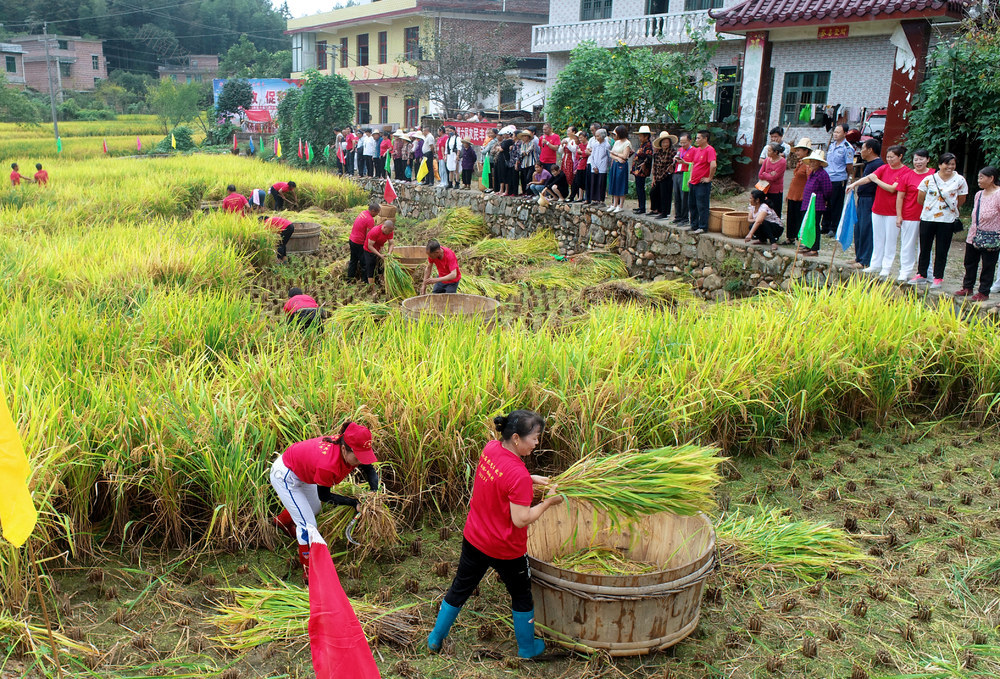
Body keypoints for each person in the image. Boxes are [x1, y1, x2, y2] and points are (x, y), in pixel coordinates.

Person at [427, 410, 563, 659]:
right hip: (505, 549)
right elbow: (520, 519)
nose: (536, 443)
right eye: (533, 438)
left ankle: (435, 638)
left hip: (474, 538)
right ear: (516, 438)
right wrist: (548, 503)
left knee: (460, 588)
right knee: (522, 595)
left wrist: (530, 479)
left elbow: (501, 480)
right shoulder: (518, 475)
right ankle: (527, 648)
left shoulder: (491, 448)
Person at [270, 422, 380, 582]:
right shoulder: (328, 466)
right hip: (287, 476)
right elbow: (325, 496)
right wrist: (354, 503)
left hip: (305, 472)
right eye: (357, 458)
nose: (360, 462)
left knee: (314, 509)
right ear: (344, 449)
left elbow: (369, 469)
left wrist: (373, 493)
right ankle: (308, 572)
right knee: (308, 526)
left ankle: (281, 522)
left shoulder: (350, 446)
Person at [847, 144, 909, 278]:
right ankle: (875, 263)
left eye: (892, 157)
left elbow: (892, 188)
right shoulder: (884, 168)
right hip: (877, 208)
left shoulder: (905, 172)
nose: (890, 160)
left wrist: (877, 181)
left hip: (892, 211)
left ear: (900, 157)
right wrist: (854, 184)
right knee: (878, 238)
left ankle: (886, 266)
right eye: (888, 157)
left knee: (890, 240)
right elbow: (869, 177)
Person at [912, 152, 967, 288]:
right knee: (925, 247)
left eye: (953, 164)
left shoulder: (959, 180)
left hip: (947, 219)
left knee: (942, 249)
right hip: (928, 217)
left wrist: (950, 208)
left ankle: (938, 277)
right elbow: (920, 198)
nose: (950, 167)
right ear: (940, 165)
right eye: (947, 164)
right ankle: (922, 273)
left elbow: (961, 198)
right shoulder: (929, 179)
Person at [955, 166, 1000, 301]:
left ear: (991, 178)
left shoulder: (998, 194)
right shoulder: (978, 194)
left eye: (981, 177)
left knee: (988, 265)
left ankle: (983, 291)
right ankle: (967, 287)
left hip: (991, 236)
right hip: (974, 234)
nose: (978, 180)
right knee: (970, 262)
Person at [893, 149, 935, 282]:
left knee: (926, 246)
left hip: (929, 216)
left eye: (921, 159)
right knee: (907, 244)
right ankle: (905, 271)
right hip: (910, 214)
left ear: (928, 160)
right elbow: (900, 197)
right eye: (916, 159)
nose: (918, 162)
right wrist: (899, 215)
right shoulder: (907, 175)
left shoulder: (934, 174)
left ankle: (927, 272)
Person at [851, 139, 884, 268]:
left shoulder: (878, 164)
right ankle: (859, 256)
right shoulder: (869, 164)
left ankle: (865, 259)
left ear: (870, 150)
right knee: (859, 228)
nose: (861, 151)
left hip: (870, 200)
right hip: (862, 199)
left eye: (863, 148)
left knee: (867, 228)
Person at [798, 149, 832, 256]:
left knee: (814, 225)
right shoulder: (812, 173)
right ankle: (808, 245)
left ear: (819, 162)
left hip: (817, 204)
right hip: (808, 203)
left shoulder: (822, 174)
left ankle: (814, 248)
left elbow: (828, 190)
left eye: (815, 161)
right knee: (808, 225)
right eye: (811, 161)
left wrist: (823, 200)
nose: (812, 163)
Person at [822, 124, 854, 235]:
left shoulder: (847, 147)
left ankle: (833, 227)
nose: (835, 134)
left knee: (836, 204)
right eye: (834, 132)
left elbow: (849, 166)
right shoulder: (831, 145)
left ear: (845, 133)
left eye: (838, 132)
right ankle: (825, 225)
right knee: (826, 203)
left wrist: (849, 178)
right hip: (828, 178)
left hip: (839, 179)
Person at [783, 139, 813, 244]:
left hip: (801, 195)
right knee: (791, 216)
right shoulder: (800, 163)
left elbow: (810, 180)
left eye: (799, 150)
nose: (797, 153)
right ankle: (790, 237)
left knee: (799, 217)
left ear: (806, 151)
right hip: (793, 193)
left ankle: (799, 238)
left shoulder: (808, 165)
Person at [687, 130, 717, 234]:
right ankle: (694, 224)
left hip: (702, 183)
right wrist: (690, 178)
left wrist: (709, 178)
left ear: (705, 139)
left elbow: (713, 165)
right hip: (694, 182)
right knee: (692, 204)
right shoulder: (697, 150)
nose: (697, 140)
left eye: (699, 138)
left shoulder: (710, 150)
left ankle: (703, 226)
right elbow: (693, 164)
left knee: (702, 205)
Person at [348, 202, 380, 281]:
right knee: (364, 263)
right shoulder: (370, 220)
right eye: (377, 212)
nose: (377, 214)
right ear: (373, 211)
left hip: (352, 240)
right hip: (359, 242)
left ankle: (349, 278)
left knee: (353, 260)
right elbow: (368, 236)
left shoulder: (363, 213)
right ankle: (364, 281)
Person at [647, 131, 675, 219]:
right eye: (663, 142)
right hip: (658, 175)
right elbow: (655, 165)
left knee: (665, 194)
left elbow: (672, 164)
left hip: (666, 176)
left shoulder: (672, 152)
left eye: (666, 142)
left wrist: (667, 172)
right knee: (654, 192)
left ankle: (665, 212)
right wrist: (654, 177)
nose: (665, 144)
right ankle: (656, 209)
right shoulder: (658, 153)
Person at [606, 125, 633, 214]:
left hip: (622, 165)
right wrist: (617, 156)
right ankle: (614, 204)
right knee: (614, 182)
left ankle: (620, 205)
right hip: (616, 163)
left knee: (620, 184)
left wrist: (616, 154)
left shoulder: (627, 143)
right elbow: (611, 154)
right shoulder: (617, 142)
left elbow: (625, 156)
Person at [758, 143, 787, 217]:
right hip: (765, 188)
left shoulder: (782, 162)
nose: (767, 153)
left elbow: (774, 177)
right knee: (763, 210)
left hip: (776, 191)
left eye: (769, 151)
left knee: (775, 211)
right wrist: (769, 174)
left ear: (776, 152)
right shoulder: (767, 160)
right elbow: (760, 175)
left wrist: (765, 174)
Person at [363, 219, 396, 284]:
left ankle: (382, 283)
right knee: (371, 268)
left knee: (381, 267)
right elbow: (370, 246)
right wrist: (380, 255)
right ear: (384, 227)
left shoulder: (390, 231)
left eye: (391, 231)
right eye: (389, 231)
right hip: (369, 251)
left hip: (379, 249)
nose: (390, 232)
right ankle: (371, 288)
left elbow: (391, 243)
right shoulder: (375, 231)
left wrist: (389, 253)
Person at [631, 126, 654, 215]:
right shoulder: (643, 145)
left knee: (640, 188)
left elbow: (649, 157)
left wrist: (644, 164)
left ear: (646, 136)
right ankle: (640, 206)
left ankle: (642, 207)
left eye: (641, 136)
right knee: (638, 188)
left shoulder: (648, 146)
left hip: (642, 170)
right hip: (638, 169)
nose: (639, 138)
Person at [672, 133, 693, 225]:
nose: (683, 145)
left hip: (685, 173)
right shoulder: (680, 150)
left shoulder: (694, 151)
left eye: (685, 143)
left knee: (684, 196)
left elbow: (694, 163)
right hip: (677, 172)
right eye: (681, 143)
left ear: (690, 141)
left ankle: (685, 218)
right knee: (676, 196)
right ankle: (678, 216)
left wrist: (685, 162)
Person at [587, 129, 609, 206]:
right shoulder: (595, 144)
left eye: (598, 136)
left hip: (602, 166)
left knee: (601, 183)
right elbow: (592, 155)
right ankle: (594, 199)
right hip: (594, 165)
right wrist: (594, 166)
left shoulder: (606, 145)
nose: (596, 137)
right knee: (594, 182)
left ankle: (601, 200)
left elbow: (607, 157)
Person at [517, 129, 540, 197]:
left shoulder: (532, 143)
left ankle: (530, 192)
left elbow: (528, 151)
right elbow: (521, 152)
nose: (524, 138)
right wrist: (523, 153)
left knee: (529, 177)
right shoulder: (522, 144)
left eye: (525, 136)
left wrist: (524, 152)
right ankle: (525, 192)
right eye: (523, 136)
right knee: (523, 178)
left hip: (531, 163)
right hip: (524, 163)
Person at [569, 131, 589, 202]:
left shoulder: (588, 145)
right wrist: (582, 154)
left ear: (585, 137)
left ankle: (586, 197)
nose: (580, 139)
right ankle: (580, 197)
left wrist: (582, 153)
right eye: (579, 138)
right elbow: (577, 156)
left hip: (586, 165)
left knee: (585, 181)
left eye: (581, 138)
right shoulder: (579, 146)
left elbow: (587, 154)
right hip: (580, 165)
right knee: (579, 181)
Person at [559, 127, 577, 200]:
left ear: (574, 132)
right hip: (565, 159)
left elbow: (574, 150)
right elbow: (560, 151)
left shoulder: (574, 141)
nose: (568, 132)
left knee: (571, 177)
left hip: (571, 160)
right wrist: (562, 144)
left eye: (569, 131)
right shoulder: (566, 139)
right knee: (564, 176)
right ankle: (564, 193)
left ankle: (572, 195)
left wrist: (567, 144)